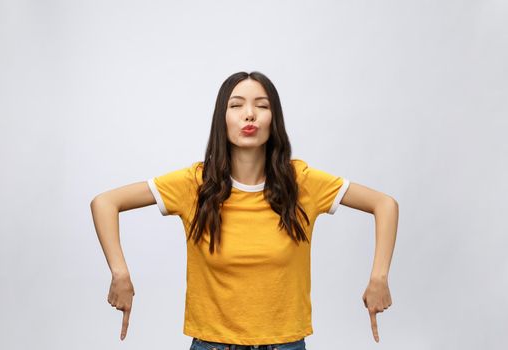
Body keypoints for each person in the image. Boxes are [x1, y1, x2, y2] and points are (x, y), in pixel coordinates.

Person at [90, 71, 399, 349]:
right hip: (213, 345)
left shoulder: (301, 182)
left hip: (285, 344)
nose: (249, 114)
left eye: (262, 106)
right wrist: (120, 274)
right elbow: (105, 203)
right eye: (236, 105)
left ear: (273, 119)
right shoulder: (195, 184)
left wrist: (379, 277)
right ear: (221, 118)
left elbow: (384, 204)